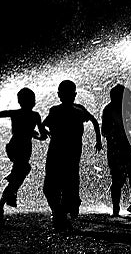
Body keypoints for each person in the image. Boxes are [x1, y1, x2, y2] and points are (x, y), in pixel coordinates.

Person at [42, 80, 102, 230]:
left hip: (58, 153)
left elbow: (43, 125)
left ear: (58, 95)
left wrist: (44, 133)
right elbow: (94, 121)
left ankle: (60, 212)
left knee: (53, 186)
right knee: (67, 184)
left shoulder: (58, 110)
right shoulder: (79, 110)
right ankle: (64, 210)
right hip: (70, 154)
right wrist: (98, 140)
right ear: (75, 95)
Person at [0, 88, 47, 224]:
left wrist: (39, 135)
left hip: (22, 147)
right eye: (28, 100)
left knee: (21, 171)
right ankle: (4, 201)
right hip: (17, 147)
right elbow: (40, 135)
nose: (30, 102)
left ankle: (10, 194)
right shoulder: (30, 115)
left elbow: (41, 134)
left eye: (31, 100)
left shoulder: (25, 114)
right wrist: (37, 135)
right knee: (23, 169)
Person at [101, 84, 131, 217]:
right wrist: (116, 133)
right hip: (116, 149)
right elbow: (104, 132)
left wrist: (129, 101)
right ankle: (116, 208)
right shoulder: (108, 110)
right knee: (117, 179)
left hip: (129, 147)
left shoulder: (127, 107)